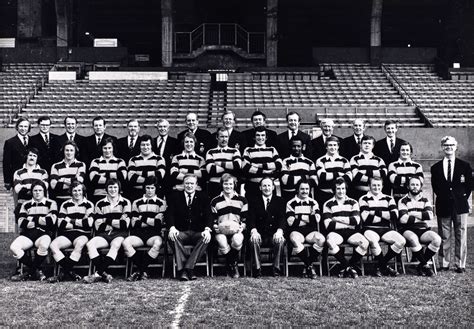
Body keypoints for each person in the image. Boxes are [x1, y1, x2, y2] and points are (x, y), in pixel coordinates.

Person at [431, 136, 472, 273]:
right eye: (446, 145)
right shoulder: (435, 167)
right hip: (443, 204)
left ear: (456, 146)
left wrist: (460, 197)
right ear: (442, 147)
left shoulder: (464, 165)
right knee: (444, 234)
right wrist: (445, 196)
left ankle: (460, 264)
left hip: (460, 204)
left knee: (461, 234)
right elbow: (435, 187)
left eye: (451, 145)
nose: (449, 147)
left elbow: (469, 186)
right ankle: (444, 263)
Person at [83, 179, 131, 283]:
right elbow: (98, 226)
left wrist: (106, 220)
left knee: (116, 245)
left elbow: (124, 225)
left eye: (115, 187)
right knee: (90, 244)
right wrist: (116, 223)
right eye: (110, 187)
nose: (113, 190)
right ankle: (104, 274)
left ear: (119, 189)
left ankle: (97, 274)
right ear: (106, 189)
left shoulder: (126, 202)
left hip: (119, 234)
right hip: (104, 234)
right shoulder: (100, 203)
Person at [10, 180, 58, 281]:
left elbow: (51, 221)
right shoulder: (26, 204)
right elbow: (21, 222)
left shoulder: (51, 203)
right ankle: (37, 270)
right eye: (35, 190)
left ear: (44, 191)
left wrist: (32, 219)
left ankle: (29, 272)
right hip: (29, 233)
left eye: (40, 190)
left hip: (44, 233)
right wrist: (41, 219)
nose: (37, 192)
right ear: (32, 191)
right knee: (14, 247)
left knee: (44, 245)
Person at [167, 174, 212, 281]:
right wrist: (172, 228)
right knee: (173, 237)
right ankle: (189, 269)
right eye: (187, 183)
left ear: (196, 185)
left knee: (206, 238)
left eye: (192, 183)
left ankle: (186, 268)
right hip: (181, 231)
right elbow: (169, 214)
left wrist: (207, 229)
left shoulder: (203, 197)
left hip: (198, 231)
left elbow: (209, 215)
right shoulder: (175, 196)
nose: (189, 186)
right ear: (183, 184)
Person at [47, 181, 94, 282]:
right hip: (67, 234)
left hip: (82, 234)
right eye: (74, 191)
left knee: (80, 244)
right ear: (71, 192)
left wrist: (70, 220)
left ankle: (63, 273)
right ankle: (70, 271)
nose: (77, 193)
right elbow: (60, 223)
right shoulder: (65, 204)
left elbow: (88, 223)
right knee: (53, 245)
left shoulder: (89, 205)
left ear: (83, 191)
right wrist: (80, 221)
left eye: (79, 190)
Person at [123, 176, 167, 281]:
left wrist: (141, 217)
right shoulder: (136, 202)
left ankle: (139, 270)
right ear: (144, 188)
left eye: (152, 188)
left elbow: (158, 223)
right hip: (138, 234)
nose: (150, 190)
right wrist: (150, 221)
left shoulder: (161, 203)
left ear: (156, 188)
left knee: (157, 243)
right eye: (147, 188)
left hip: (153, 234)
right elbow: (134, 223)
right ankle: (143, 270)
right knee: (125, 243)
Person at [323, 177, 369, 278]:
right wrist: (348, 222)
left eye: (343, 188)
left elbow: (356, 221)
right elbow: (328, 225)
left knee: (365, 243)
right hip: (336, 232)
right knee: (330, 241)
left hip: (351, 232)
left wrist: (337, 219)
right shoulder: (328, 203)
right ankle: (348, 267)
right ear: (334, 190)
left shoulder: (353, 202)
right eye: (338, 188)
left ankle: (347, 266)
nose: (341, 191)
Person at [359, 177, 405, 277]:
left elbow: (394, 215)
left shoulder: (389, 198)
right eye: (374, 185)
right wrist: (385, 216)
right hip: (369, 228)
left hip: (385, 229)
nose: (376, 187)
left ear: (382, 186)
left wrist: (375, 212)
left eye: (379, 185)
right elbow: (366, 218)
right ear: (369, 186)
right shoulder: (363, 198)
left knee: (401, 241)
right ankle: (385, 267)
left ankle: (380, 266)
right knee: (373, 241)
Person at [398, 176, 441, 277]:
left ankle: (421, 265)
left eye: (417, 185)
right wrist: (421, 215)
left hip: (423, 228)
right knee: (413, 238)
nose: (415, 187)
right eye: (412, 184)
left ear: (420, 186)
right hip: (408, 229)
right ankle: (425, 265)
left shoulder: (425, 200)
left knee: (437, 239)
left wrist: (411, 214)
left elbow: (430, 215)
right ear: (408, 186)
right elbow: (403, 219)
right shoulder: (402, 201)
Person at [211, 174, 248, 278]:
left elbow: (245, 219)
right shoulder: (215, 201)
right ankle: (232, 264)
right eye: (226, 184)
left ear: (234, 185)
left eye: (231, 184)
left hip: (236, 230)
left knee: (237, 240)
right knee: (222, 241)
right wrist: (215, 227)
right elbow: (213, 219)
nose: (228, 186)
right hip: (221, 230)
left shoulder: (242, 200)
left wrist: (242, 226)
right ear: (222, 185)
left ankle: (230, 264)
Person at [286, 179, 325, 279]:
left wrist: (298, 217)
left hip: (310, 231)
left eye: (307, 189)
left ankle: (307, 265)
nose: (305, 191)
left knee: (321, 239)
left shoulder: (313, 202)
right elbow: (290, 222)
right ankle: (310, 266)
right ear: (297, 190)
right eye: (302, 189)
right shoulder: (291, 203)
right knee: (295, 239)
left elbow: (317, 219)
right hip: (296, 231)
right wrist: (309, 218)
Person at [247, 177, 286, 277]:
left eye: (269, 185)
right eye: (264, 185)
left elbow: (282, 218)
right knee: (253, 240)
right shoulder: (253, 201)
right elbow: (250, 219)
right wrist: (254, 231)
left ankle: (276, 268)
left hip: (274, 233)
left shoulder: (280, 201)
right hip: (260, 233)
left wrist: (279, 231)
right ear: (260, 188)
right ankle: (257, 268)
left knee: (280, 240)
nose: (267, 188)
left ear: (273, 187)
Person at [242, 126, 282, 200]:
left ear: (266, 137)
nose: (260, 138)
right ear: (254, 137)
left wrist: (258, 165)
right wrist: (265, 171)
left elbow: (278, 164)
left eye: (263, 135)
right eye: (258, 135)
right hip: (252, 187)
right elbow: (245, 167)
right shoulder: (248, 150)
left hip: (269, 187)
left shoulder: (272, 149)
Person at [315, 136, 352, 207]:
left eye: (335, 145)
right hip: (324, 194)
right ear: (326, 147)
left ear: (338, 147)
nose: (332, 147)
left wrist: (330, 175)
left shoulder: (344, 160)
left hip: (341, 195)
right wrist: (339, 174)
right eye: (330, 145)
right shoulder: (320, 160)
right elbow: (322, 176)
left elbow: (349, 177)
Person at [89, 137, 127, 204]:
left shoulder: (120, 161)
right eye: (105, 148)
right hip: (99, 195)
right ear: (101, 149)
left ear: (113, 148)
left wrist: (104, 175)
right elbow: (94, 178)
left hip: (116, 196)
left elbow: (122, 177)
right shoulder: (95, 161)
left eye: (109, 148)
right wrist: (114, 177)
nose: (107, 150)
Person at [206, 127, 242, 199]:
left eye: (226, 136)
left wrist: (218, 163)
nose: (224, 139)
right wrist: (230, 166)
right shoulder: (210, 152)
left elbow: (237, 166)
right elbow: (211, 170)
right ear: (217, 137)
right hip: (215, 185)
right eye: (222, 136)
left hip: (231, 185)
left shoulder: (235, 151)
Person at [128, 134, 166, 201]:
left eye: (148, 144)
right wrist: (152, 177)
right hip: (137, 193)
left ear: (151, 146)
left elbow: (159, 175)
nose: (145, 147)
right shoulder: (133, 159)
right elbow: (131, 177)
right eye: (143, 145)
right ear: (139, 146)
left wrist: (139, 173)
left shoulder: (159, 159)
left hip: (155, 194)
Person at [13, 148, 48, 218]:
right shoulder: (18, 172)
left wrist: (25, 186)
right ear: (26, 156)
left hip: (39, 205)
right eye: (30, 155)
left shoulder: (43, 172)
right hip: (23, 205)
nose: (32, 158)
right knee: (22, 226)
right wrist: (35, 186)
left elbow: (44, 187)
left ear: (37, 158)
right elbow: (17, 189)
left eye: (34, 156)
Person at [374, 120, 407, 195]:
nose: (390, 130)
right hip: (384, 177)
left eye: (392, 128)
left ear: (396, 129)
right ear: (385, 129)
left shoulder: (402, 143)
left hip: (398, 176)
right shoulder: (378, 144)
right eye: (388, 128)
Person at [280, 136, 317, 202]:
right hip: (289, 196)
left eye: (299, 146)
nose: (296, 148)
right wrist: (305, 177)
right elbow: (286, 181)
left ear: (303, 147)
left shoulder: (309, 162)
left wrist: (292, 178)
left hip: (306, 197)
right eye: (294, 146)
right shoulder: (285, 161)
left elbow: (314, 182)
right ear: (290, 147)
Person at [50, 141, 87, 207]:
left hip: (76, 200)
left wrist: (62, 180)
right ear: (63, 151)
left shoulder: (81, 164)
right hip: (60, 200)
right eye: (67, 150)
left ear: (75, 151)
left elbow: (79, 181)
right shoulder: (55, 166)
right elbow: (54, 186)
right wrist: (73, 181)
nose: (69, 153)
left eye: (71, 150)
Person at [350, 135, 387, 200]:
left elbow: (383, 173)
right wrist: (374, 177)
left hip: (376, 193)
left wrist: (364, 172)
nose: (367, 145)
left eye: (369, 143)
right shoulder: (354, 158)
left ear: (373, 146)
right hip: (358, 193)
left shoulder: (379, 159)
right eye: (365, 143)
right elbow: (356, 175)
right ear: (360, 145)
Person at [3, 117, 31, 192]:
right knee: (18, 202)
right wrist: (7, 181)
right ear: (17, 127)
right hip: (17, 177)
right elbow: (6, 163)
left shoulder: (33, 140)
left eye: (25, 126)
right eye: (21, 126)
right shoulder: (10, 142)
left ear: (29, 128)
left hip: (32, 177)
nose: (23, 128)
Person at [153, 119, 178, 195]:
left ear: (168, 128)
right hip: (155, 176)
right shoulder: (152, 141)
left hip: (168, 177)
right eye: (160, 126)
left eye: (164, 126)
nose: (162, 128)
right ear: (157, 128)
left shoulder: (175, 142)